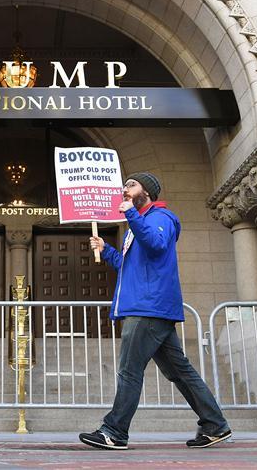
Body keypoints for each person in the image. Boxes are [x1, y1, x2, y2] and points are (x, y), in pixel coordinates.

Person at [78, 172, 231, 450]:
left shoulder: (162, 218)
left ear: (146, 192)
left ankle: (114, 431)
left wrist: (132, 218)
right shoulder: (137, 224)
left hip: (148, 308)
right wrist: (107, 249)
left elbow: (157, 244)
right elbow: (131, 266)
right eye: (125, 185)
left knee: (129, 371)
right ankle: (214, 424)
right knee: (180, 371)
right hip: (149, 307)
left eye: (131, 185)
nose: (125, 189)